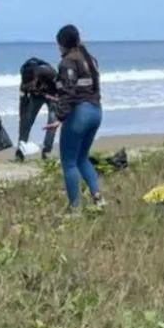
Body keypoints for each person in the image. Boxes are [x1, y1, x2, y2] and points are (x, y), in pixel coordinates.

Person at [45, 25, 104, 209]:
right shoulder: (90, 59)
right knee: (82, 158)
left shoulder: (67, 62)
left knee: (69, 163)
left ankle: (74, 208)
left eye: (58, 44)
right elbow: (86, 87)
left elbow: (69, 93)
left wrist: (59, 118)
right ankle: (98, 198)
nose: (58, 48)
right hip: (96, 111)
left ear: (63, 44)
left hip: (80, 115)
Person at [17, 56, 58, 160]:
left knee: (52, 121)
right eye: (27, 85)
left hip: (53, 95)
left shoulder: (48, 72)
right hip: (37, 97)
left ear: (35, 78)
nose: (29, 87)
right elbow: (23, 106)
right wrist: (23, 119)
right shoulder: (24, 82)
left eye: (31, 84)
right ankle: (21, 151)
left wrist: (56, 99)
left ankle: (46, 150)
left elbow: (63, 88)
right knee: (27, 121)